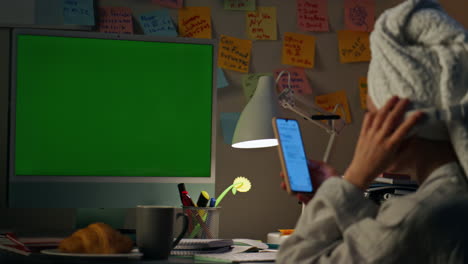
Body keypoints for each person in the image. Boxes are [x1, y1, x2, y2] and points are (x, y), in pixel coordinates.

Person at [276, 0, 468, 263]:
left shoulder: (418, 216)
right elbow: (381, 246)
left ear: (400, 123)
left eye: (371, 115)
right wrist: (339, 193)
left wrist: (354, 177)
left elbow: (291, 259)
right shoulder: (451, 198)